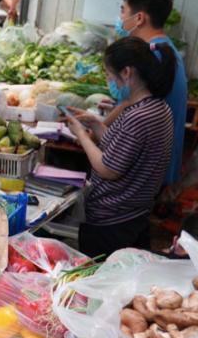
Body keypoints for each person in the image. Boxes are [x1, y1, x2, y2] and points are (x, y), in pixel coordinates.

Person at [64, 37, 176, 258]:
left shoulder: (137, 116)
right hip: (135, 216)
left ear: (126, 73)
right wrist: (96, 125)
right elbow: (123, 151)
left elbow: (109, 168)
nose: (109, 81)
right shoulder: (158, 108)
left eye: (109, 75)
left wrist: (82, 137)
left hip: (113, 223)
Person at [106, 0, 187, 187]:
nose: (120, 19)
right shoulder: (164, 49)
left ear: (139, 18)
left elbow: (130, 103)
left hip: (147, 172)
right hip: (155, 165)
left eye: (123, 11)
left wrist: (89, 131)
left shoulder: (153, 55)